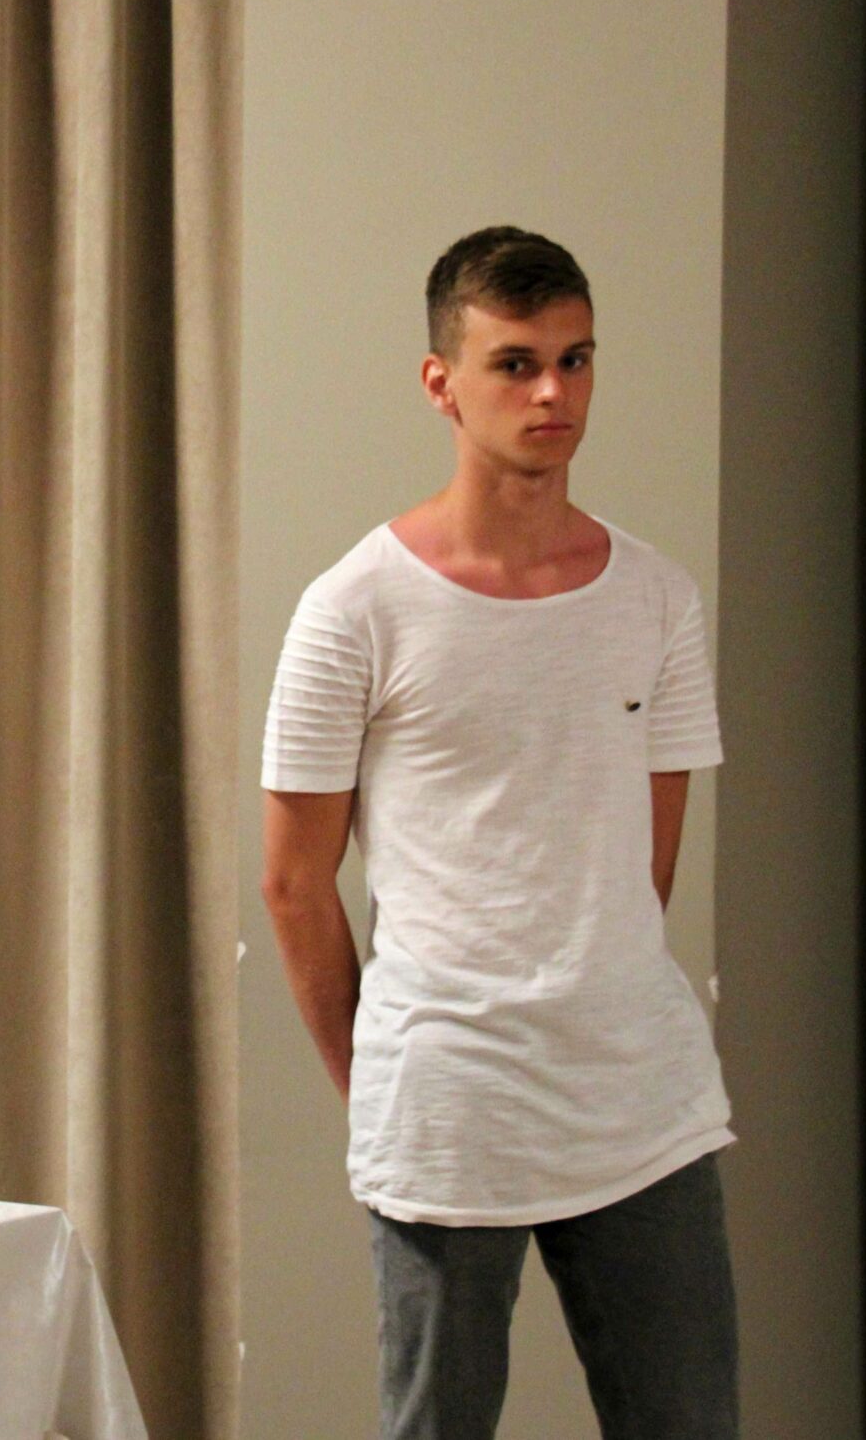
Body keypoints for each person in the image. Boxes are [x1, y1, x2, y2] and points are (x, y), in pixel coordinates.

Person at [259, 226, 738, 1440]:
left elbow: (644, 866)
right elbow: (292, 885)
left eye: (575, 361)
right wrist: (380, 1080)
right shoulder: (354, 608)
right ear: (442, 382)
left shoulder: (656, 598)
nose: (551, 394)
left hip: (642, 1099)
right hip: (447, 1101)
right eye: (515, 364)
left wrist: (590, 982)